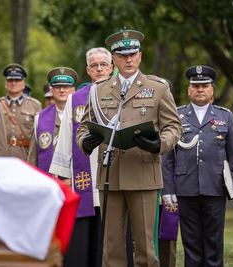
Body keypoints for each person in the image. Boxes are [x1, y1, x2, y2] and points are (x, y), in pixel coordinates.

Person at [76, 28, 182, 267]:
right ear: (114, 59)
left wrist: (160, 144)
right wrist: (85, 141)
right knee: (111, 249)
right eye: (122, 55)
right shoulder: (98, 89)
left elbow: (174, 127)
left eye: (133, 54)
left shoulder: (158, 88)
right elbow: (83, 128)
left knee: (146, 249)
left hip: (144, 174)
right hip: (110, 177)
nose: (129, 59)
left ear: (140, 56)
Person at [161, 65, 233, 267]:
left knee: (214, 242)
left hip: (214, 188)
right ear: (189, 90)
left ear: (212, 90)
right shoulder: (177, 116)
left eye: (205, 85)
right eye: (196, 86)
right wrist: (168, 190)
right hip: (185, 188)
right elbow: (168, 158)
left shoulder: (225, 116)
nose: (200, 89)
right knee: (191, 242)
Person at [49, 48, 112, 267]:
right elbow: (65, 139)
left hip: (115, 177)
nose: (99, 69)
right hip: (83, 180)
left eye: (104, 64)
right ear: (88, 70)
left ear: (111, 67)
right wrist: (63, 176)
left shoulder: (124, 95)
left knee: (112, 238)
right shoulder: (75, 99)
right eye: (94, 65)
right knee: (84, 239)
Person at [28, 67, 77, 172]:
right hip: (48, 178)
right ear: (51, 91)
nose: (62, 90)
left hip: (75, 180)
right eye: (58, 87)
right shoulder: (39, 118)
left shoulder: (81, 116)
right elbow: (33, 155)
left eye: (66, 87)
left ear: (73, 90)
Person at [0, 63, 42, 161]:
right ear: (5, 84)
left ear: (23, 84)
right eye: (10, 80)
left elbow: (39, 135)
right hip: (1, 156)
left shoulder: (35, 105)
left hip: (24, 156)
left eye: (17, 80)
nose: (13, 83)